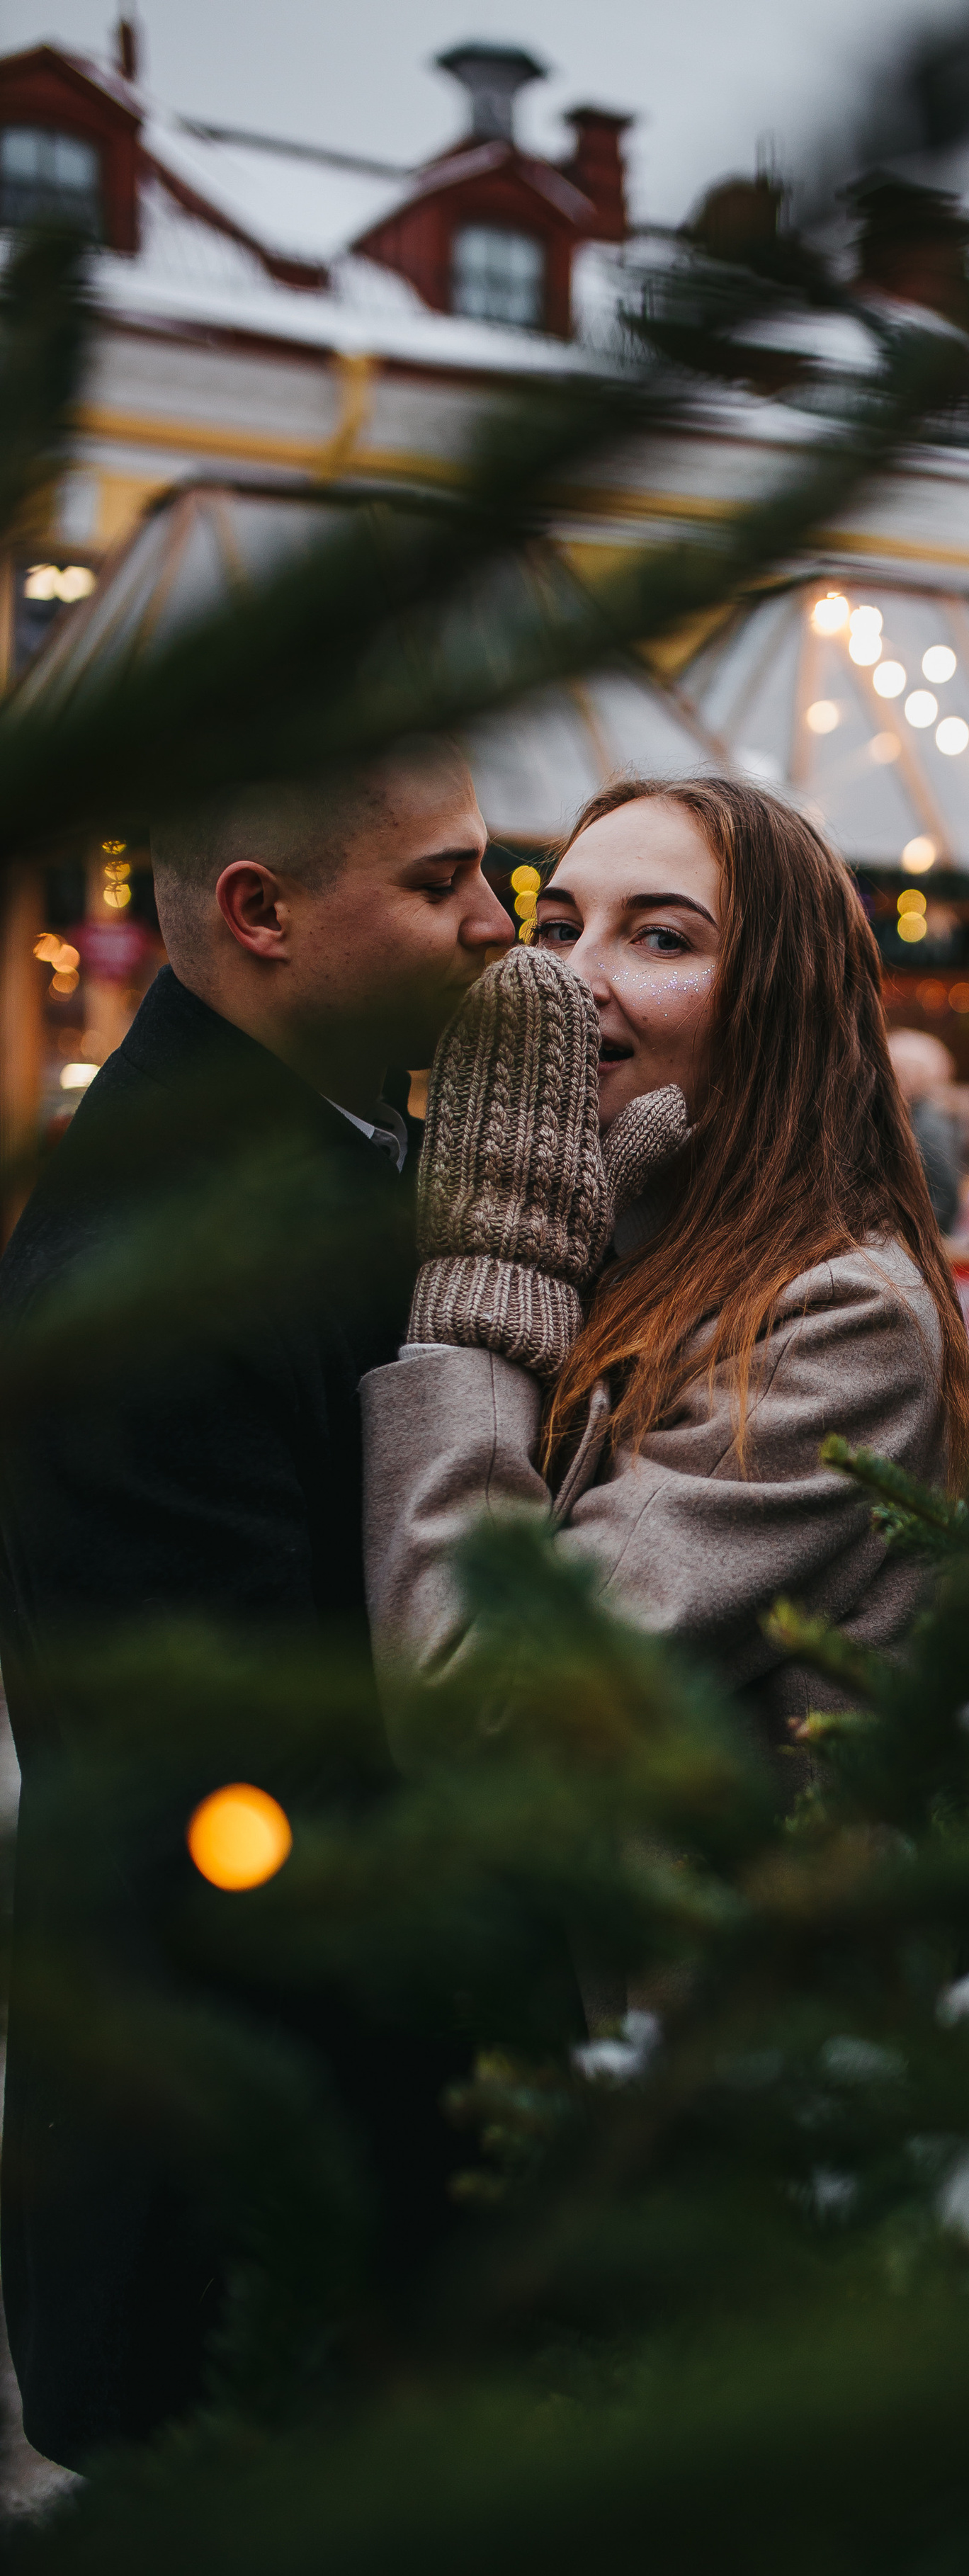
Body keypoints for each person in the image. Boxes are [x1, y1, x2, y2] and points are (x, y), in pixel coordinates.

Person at [0, 739, 516, 2469]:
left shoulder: (327, 1158)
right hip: (244, 2208)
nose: (496, 924)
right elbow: (228, 1800)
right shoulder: (167, 1253)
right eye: (441, 881)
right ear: (259, 910)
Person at [363, 774, 969, 1757]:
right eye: (559, 928)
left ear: (782, 1009)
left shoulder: (839, 1318)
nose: (570, 979)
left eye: (662, 938)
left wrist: (494, 1256)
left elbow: (479, 1705)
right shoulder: (620, 1232)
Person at [886, 1028, 965, 1235]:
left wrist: (910, 1231)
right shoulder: (911, 1116)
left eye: (898, 1071)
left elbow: (945, 1193)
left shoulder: (930, 1124)